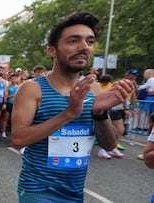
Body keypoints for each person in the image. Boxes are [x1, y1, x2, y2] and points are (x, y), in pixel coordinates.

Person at [11, 12, 134, 202]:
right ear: (52, 50)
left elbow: (109, 144)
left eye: (90, 41)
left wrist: (100, 114)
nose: (84, 46)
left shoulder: (92, 88)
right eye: (73, 41)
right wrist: (69, 113)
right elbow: (18, 139)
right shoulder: (32, 89)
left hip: (75, 193)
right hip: (38, 190)